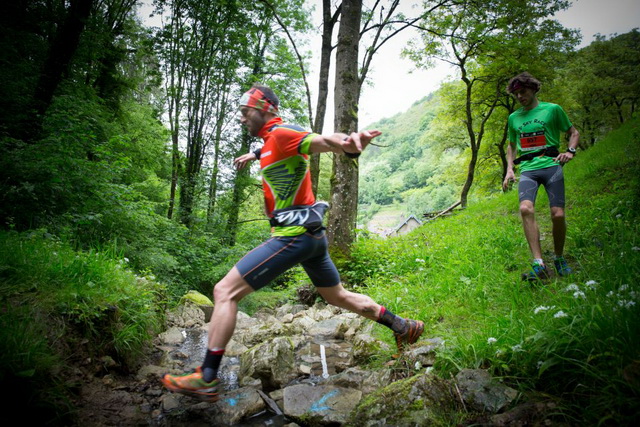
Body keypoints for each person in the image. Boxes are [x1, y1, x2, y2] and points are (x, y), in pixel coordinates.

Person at [161, 84, 424, 401]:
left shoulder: (285, 133)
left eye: (246, 112)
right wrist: (254, 154)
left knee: (223, 291)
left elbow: (320, 141)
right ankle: (402, 326)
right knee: (338, 296)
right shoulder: (269, 141)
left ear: (266, 109)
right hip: (313, 238)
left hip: (293, 236)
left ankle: (206, 378)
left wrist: (349, 144)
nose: (242, 118)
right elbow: (274, 147)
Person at [502, 72, 580, 281]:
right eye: (516, 93)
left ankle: (559, 257)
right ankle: (538, 263)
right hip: (528, 169)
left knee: (558, 215)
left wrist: (570, 152)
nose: (520, 96)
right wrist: (509, 169)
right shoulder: (514, 117)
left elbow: (574, 132)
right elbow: (511, 145)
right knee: (525, 209)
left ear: (534, 89)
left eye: (523, 91)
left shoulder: (552, 109)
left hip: (551, 166)